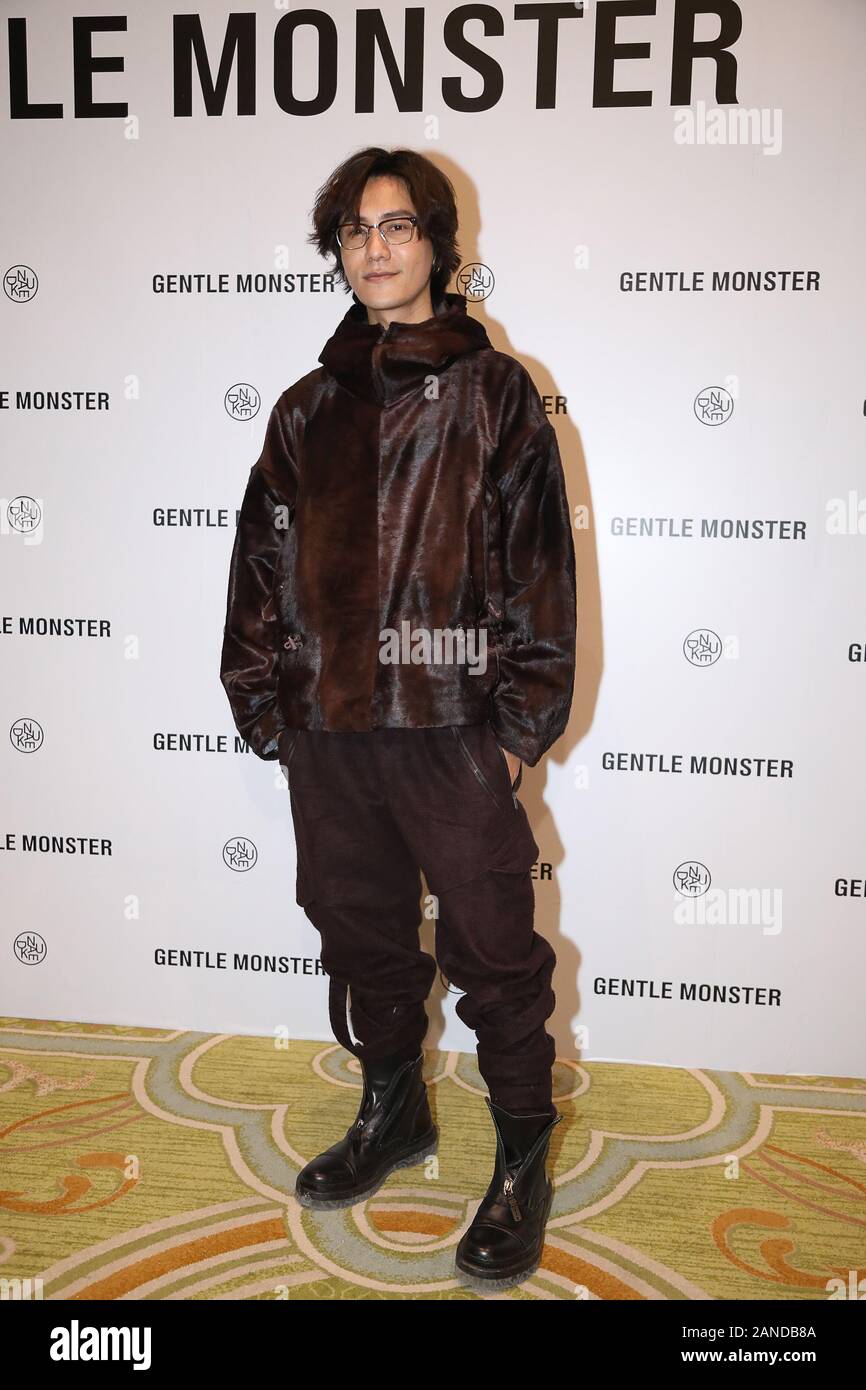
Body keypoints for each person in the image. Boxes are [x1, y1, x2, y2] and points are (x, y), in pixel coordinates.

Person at [220, 146, 576, 1287]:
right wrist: (267, 710)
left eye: (397, 227)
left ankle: (520, 1159)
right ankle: (396, 1113)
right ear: (339, 253)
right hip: (328, 733)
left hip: (450, 729)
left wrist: (513, 729)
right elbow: (255, 571)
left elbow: (536, 575)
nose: (375, 247)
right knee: (361, 934)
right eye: (355, 231)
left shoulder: (497, 392)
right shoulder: (304, 407)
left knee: (493, 953)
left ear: (436, 245)